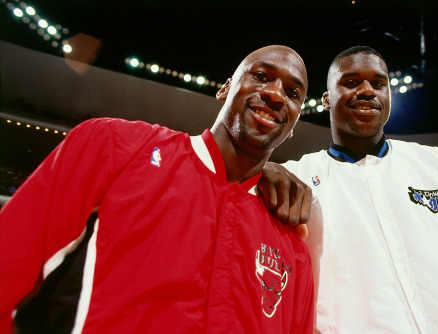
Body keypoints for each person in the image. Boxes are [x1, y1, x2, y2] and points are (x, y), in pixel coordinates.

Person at [0, 45, 314, 333]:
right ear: (226, 88)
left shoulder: (293, 249)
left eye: (292, 92)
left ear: (294, 125)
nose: (275, 94)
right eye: (261, 76)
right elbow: (9, 262)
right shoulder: (115, 147)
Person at [259, 45, 438, 333]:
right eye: (350, 82)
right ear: (326, 99)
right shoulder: (294, 179)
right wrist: (260, 170)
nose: (367, 91)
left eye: (378, 83)